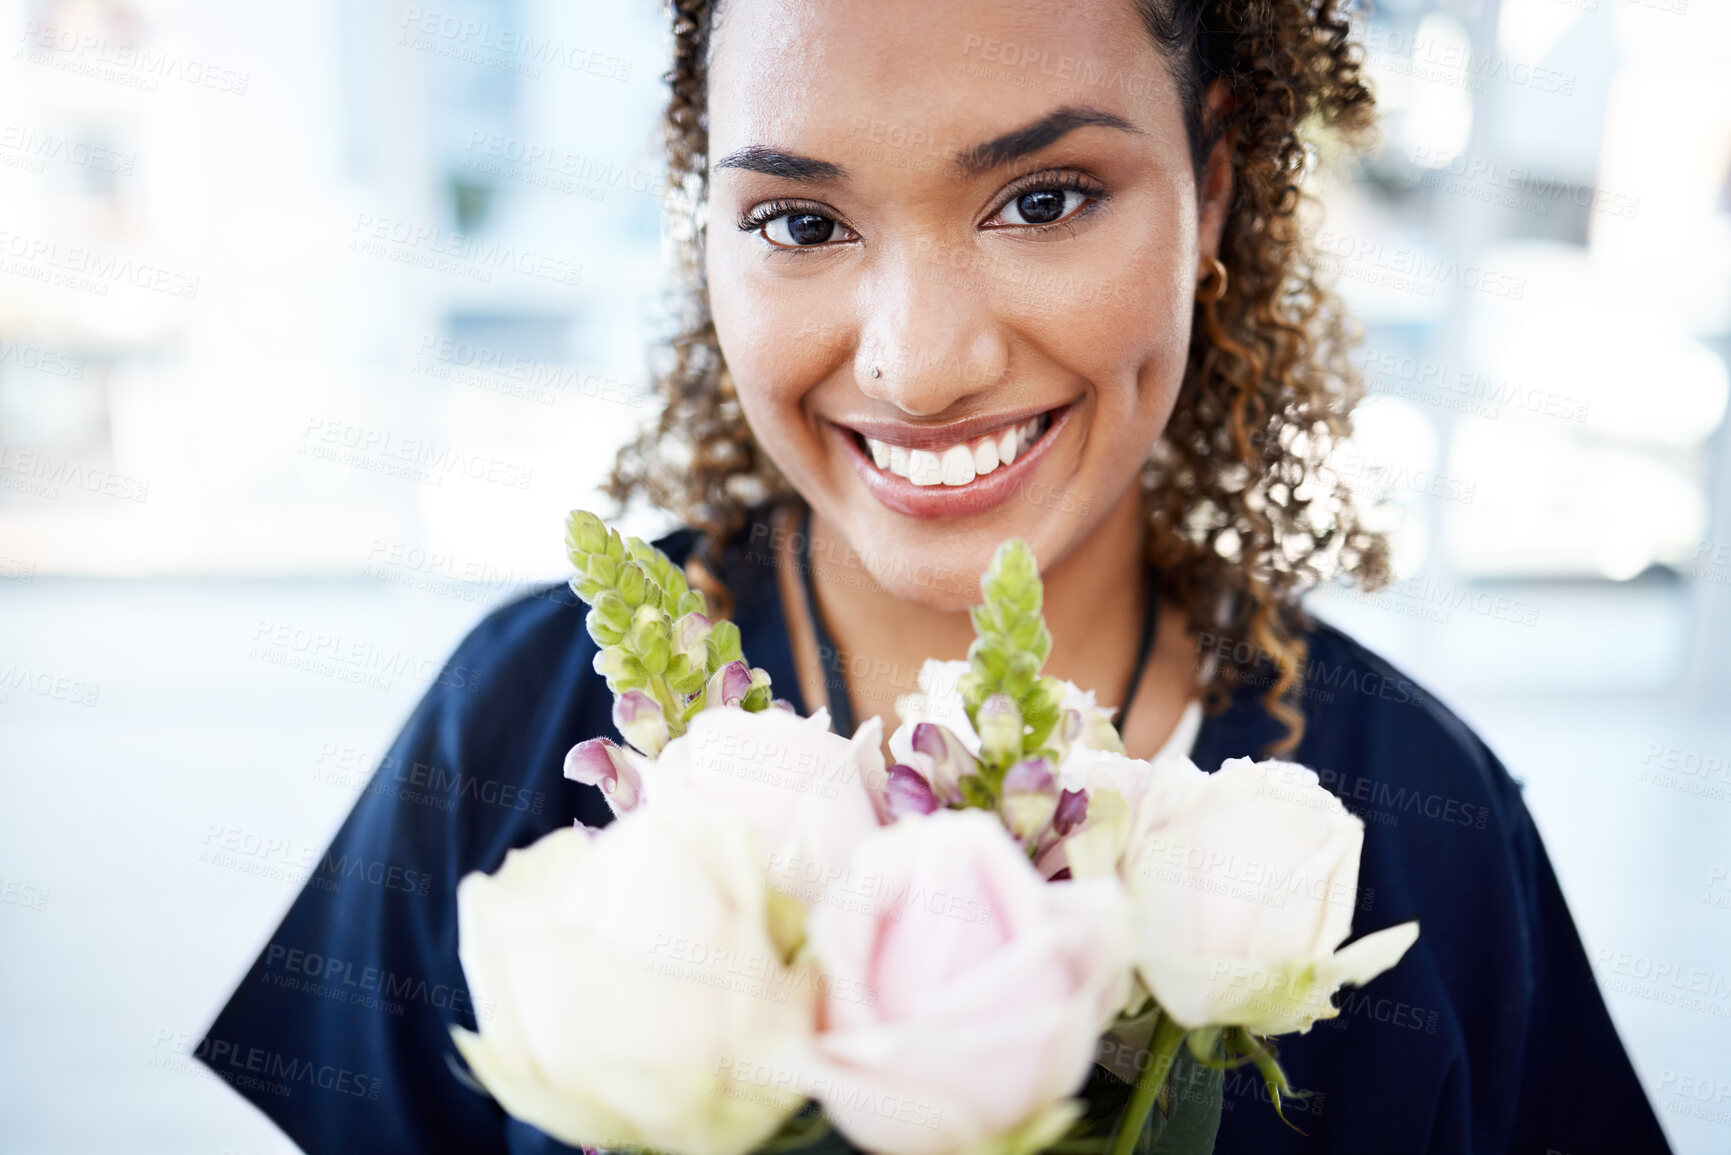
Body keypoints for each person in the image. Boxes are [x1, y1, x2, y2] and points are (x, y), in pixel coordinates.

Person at [198, 0, 1673, 1152]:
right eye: (801, 221)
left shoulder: (1417, 820)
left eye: (1041, 199)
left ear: (1212, 191)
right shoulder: (514, 729)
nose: (920, 360)